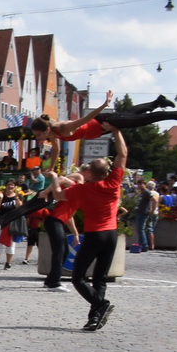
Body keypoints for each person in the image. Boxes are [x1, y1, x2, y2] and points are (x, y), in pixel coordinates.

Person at [63, 128, 129, 330]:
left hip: (94, 235)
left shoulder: (83, 189)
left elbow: (58, 196)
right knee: (100, 278)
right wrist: (116, 131)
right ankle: (95, 318)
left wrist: (57, 180)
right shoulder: (114, 182)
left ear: (90, 172)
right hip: (111, 235)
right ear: (107, 171)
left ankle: (101, 304)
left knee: (77, 277)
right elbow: (123, 154)